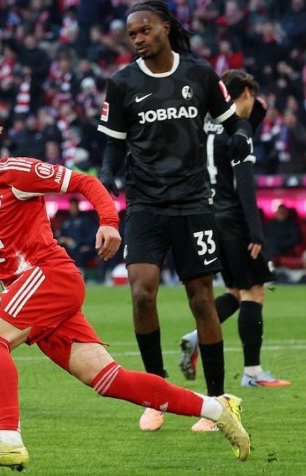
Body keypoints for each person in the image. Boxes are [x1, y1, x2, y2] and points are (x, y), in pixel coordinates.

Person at [0, 95, 250, 471]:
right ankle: (218, 408)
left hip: (49, 276)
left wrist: (109, 223)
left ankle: (9, 440)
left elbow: (86, 182)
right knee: (109, 380)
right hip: (33, 294)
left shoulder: (16, 173)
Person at [96, 1, 256, 433]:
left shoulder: (199, 75)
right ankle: (157, 395)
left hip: (192, 203)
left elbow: (233, 123)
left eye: (145, 30)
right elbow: (113, 143)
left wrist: (242, 139)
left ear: (165, 28)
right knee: (141, 293)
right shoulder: (122, 83)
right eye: (132, 34)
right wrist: (107, 175)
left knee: (201, 300)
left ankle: (217, 401)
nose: (138, 39)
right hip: (145, 205)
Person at [178, 69, 290, 429]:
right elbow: (245, 183)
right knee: (255, 291)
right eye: (250, 99)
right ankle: (253, 372)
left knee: (233, 291)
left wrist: (254, 109)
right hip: (235, 222)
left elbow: (246, 117)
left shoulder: (203, 126)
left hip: (207, 219)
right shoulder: (238, 132)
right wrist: (255, 231)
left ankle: (196, 337)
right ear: (242, 94)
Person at [56, 197, 98, 273]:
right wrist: (64, 240)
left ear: (78, 206)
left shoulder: (86, 219)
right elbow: (61, 236)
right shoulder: (66, 221)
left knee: (80, 254)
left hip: (83, 247)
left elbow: (92, 235)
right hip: (69, 248)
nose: (73, 208)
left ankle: (80, 275)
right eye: (71, 206)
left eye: (74, 206)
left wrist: (85, 245)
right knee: (59, 255)